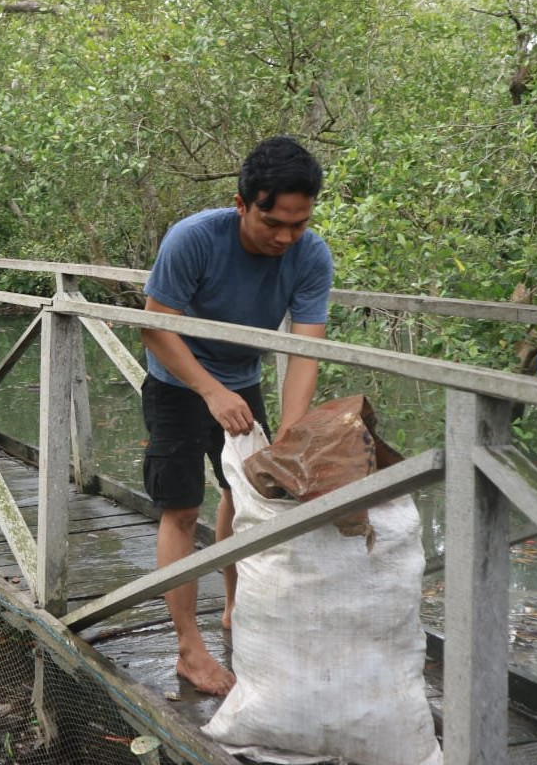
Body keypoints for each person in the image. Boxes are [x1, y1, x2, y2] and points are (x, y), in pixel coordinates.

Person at [140, 135, 333, 696]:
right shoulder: (194, 239)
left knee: (243, 491)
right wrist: (209, 392)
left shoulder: (311, 254)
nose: (286, 237)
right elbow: (155, 324)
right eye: (274, 222)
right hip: (178, 380)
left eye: (299, 224)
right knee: (180, 509)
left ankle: (234, 605)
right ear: (242, 203)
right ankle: (188, 650)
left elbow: (306, 348)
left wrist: (291, 434)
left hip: (244, 380)